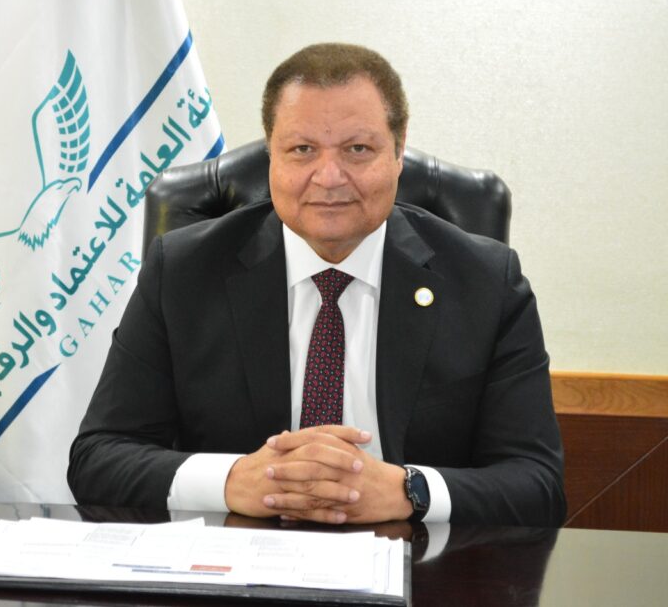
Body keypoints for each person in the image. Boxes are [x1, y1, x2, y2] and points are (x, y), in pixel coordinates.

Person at [67, 43, 565, 527]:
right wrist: (233, 481)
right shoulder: (183, 271)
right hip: (236, 558)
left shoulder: (487, 282)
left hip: (419, 562)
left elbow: (538, 485)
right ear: (271, 155)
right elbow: (98, 458)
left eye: (358, 149)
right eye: (302, 150)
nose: (328, 177)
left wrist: (407, 490)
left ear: (398, 151)